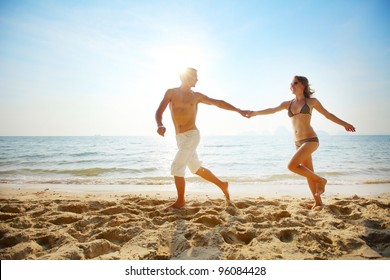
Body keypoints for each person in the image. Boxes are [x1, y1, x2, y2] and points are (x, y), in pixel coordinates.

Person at [249, 75, 355, 209]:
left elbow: (328, 115)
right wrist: (254, 113)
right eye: (291, 83)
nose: (291, 85)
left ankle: (321, 180)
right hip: (298, 142)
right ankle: (318, 202)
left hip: (310, 140)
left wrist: (345, 124)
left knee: (291, 166)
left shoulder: (311, 102)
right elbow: (271, 110)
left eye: (295, 83)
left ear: (302, 85)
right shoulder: (287, 104)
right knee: (308, 172)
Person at [155, 67, 250, 210]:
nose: (197, 80)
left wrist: (239, 110)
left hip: (192, 136)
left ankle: (180, 202)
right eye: (194, 77)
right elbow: (159, 111)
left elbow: (218, 102)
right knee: (195, 168)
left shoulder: (196, 96)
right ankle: (222, 185)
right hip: (179, 138)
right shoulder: (171, 92)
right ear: (185, 77)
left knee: (176, 167)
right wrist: (160, 124)